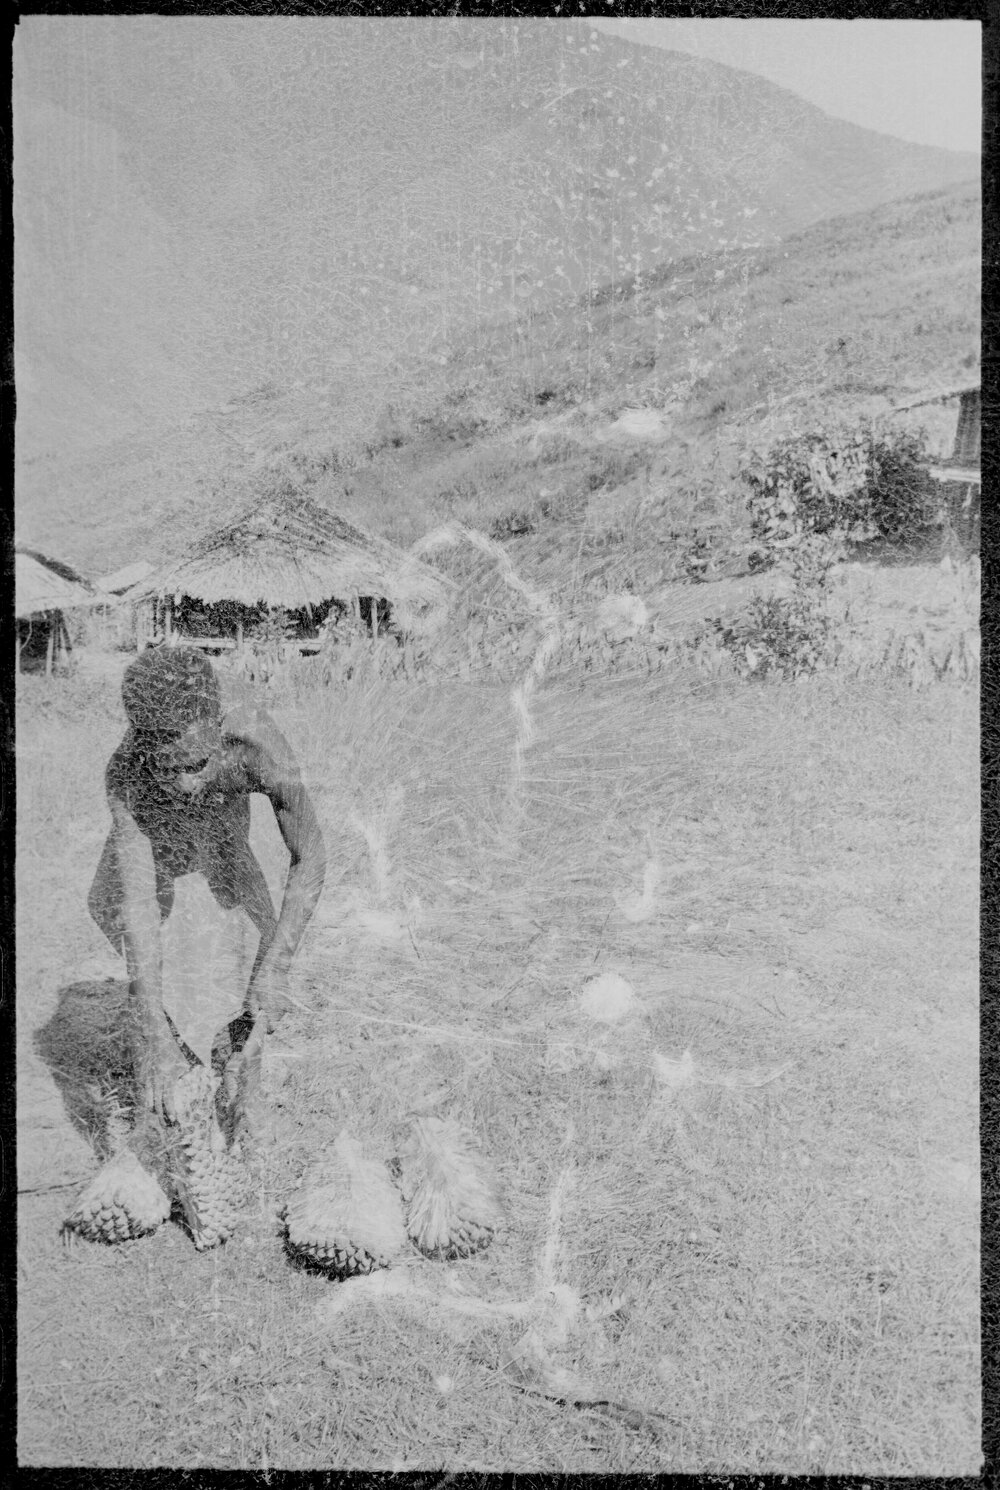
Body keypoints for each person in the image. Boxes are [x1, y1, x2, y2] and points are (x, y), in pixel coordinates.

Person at [88, 645, 326, 1148]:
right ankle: (169, 1040)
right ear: (142, 745)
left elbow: (309, 856)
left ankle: (243, 1062)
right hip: (156, 834)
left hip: (227, 822)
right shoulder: (127, 774)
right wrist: (153, 1029)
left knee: (247, 919)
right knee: (106, 905)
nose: (185, 784)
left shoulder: (259, 747)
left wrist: (277, 968)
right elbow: (138, 901)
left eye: (195, 763)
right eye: (167, 768)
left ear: (216, 728)